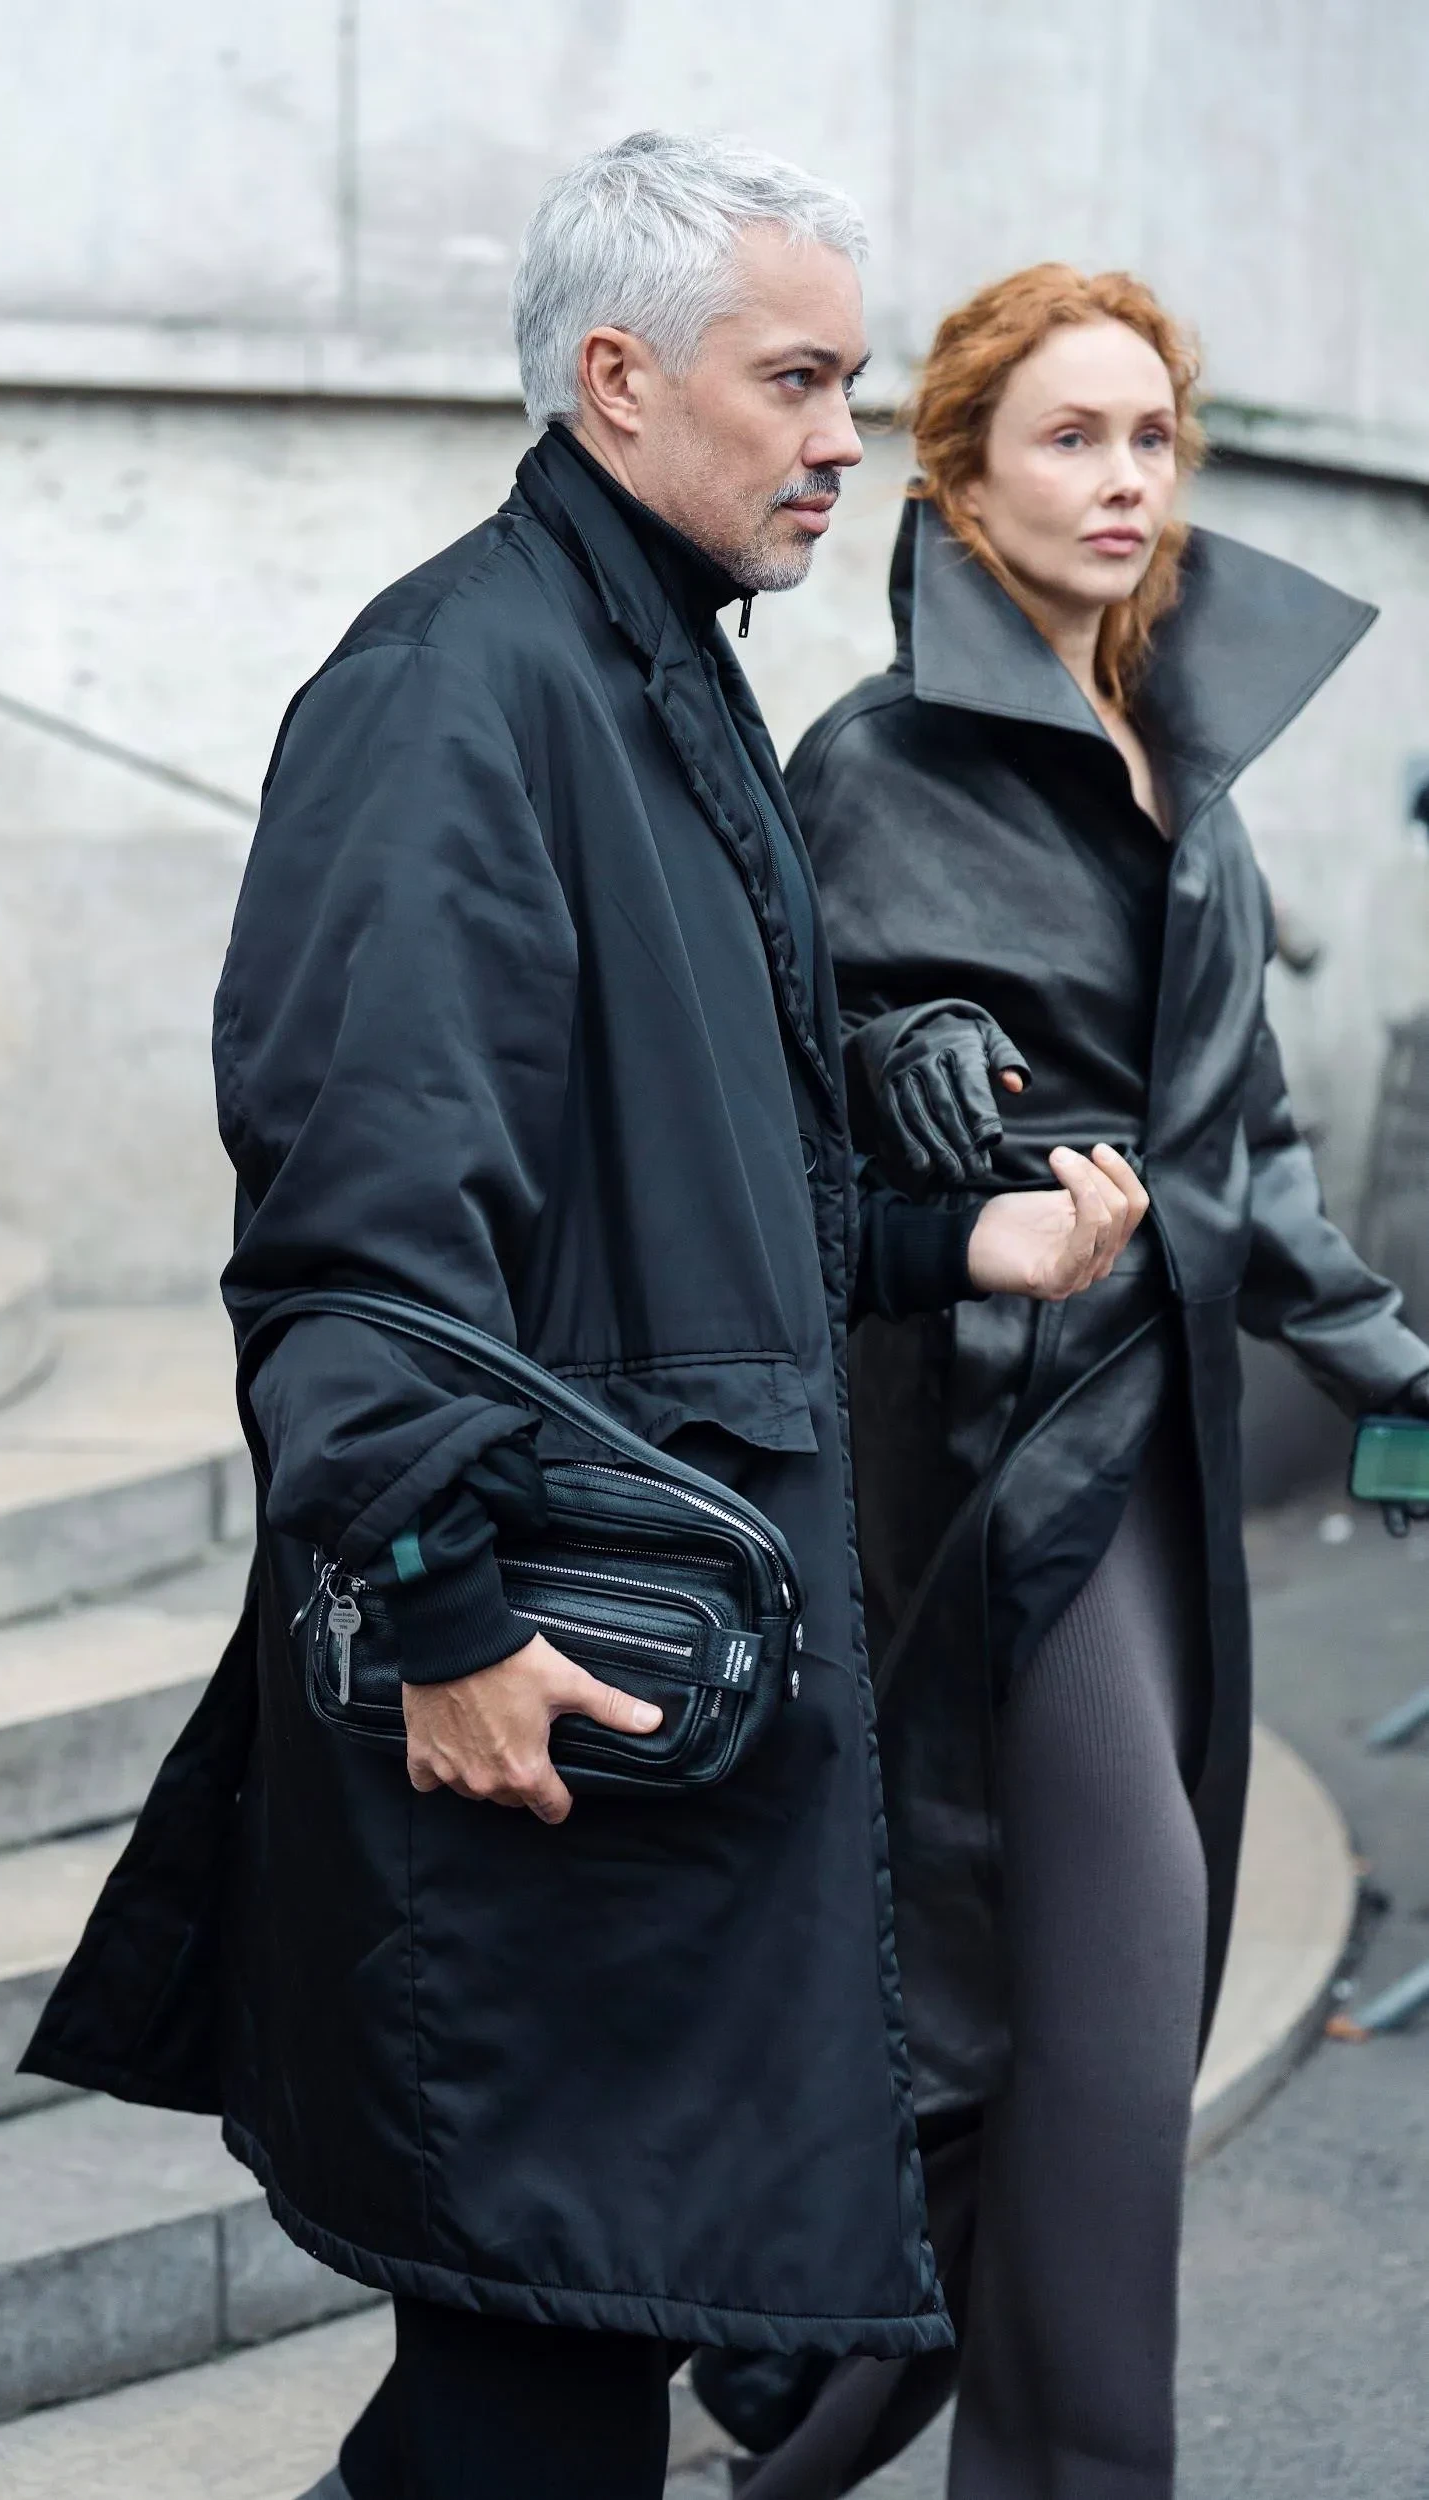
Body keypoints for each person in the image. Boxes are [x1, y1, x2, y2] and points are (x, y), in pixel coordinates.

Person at [22, 159, 1145, 2500]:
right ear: (617, 381)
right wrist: (442, 1613)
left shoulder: (647, 668)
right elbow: (353, 1229)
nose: (839, 436)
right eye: (796, 379)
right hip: (543, 1693)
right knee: (532, 2384)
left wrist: (959, 1247)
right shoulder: (460, 687)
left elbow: (687, 1220)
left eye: (848, 379)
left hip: (640, 1700)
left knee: (542, 2380)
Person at [698, 264, 1429, 2498]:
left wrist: (1394, 1373)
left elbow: (1245, 1144)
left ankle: (796, 2443)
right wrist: (888, 1055)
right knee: (1097, 2023)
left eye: (1150, 438)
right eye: (1069, 437)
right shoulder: (869, 762)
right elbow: (759, 1103)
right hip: (991, 1466)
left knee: (1059, 2039)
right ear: (960, 476)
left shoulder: (1179, 755)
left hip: (1163, 1447)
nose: (1124, 481)